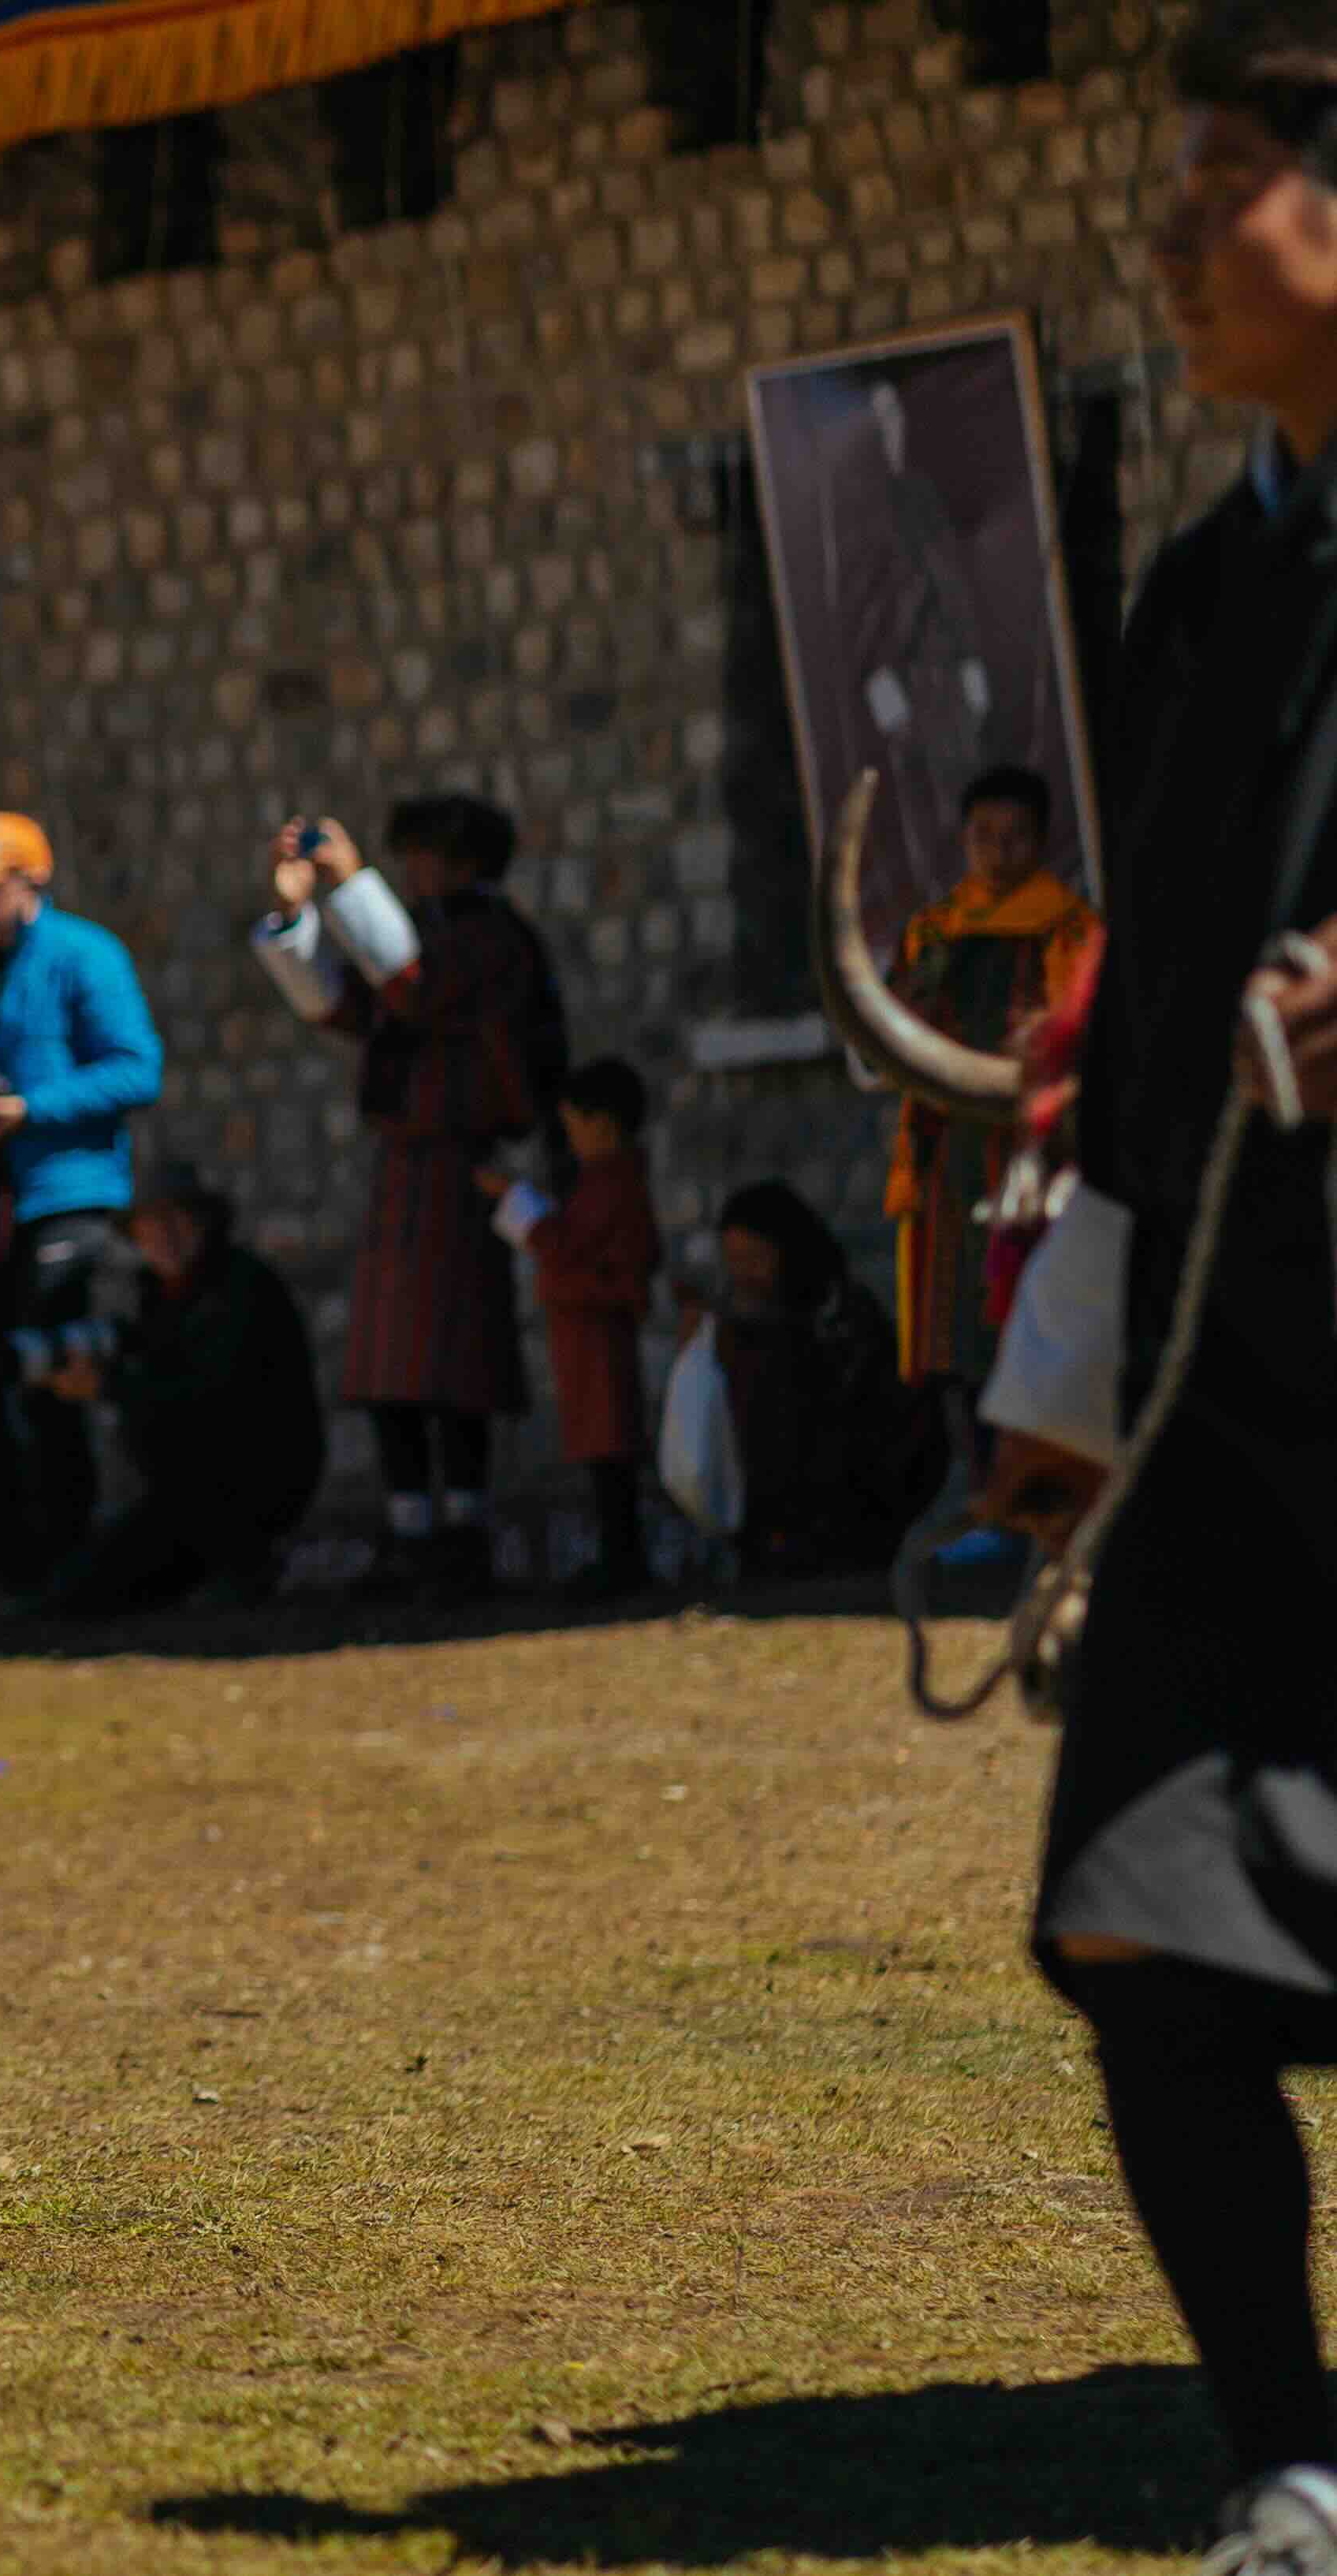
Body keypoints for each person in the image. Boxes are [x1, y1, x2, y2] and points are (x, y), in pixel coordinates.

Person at [970, 19, 1337, 2560]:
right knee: (1142, 1912)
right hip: (1241, 1373)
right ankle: (1295, 2450)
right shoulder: (1211, 584)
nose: (1172, 232)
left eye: (1226, 183)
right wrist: (1069, 1370)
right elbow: (1143, 1035)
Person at [251, 794, 571, 1602]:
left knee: (454, 1362)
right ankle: (410, 1529)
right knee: (391, 1363)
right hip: (404, 1164)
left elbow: (415, 989)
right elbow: (353, 1005)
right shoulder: (428, 939)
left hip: (464, 1165)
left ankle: (462, 1531)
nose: (416, 872)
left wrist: (353, 884)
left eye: (427, 857)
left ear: (467, 863)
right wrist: (296, 921)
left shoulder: (494, 942)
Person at [0, 810, 165, 1603]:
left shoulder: (85, 956)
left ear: (32, 882)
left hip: (68, 1201)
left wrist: (31, 1109)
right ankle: (7, 1570)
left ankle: (80, 1566)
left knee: (59, 1384)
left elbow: (138, 1070)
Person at [888, 769, 1101, 1404]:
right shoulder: (933, 932)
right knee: (953, 1330)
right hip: (949, 1155)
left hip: (1040, 1152)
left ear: (1041, 841)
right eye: (984, 836)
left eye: (1016, 836)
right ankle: (979, 1474)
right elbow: (894, 1026)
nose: (999, 851)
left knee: (1038, 1318)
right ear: (963, 841)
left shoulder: (1072, 928)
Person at [30, 1158, 319, 1615]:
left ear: (205, 1223)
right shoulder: (159, 1296)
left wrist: (109, 1385)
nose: (165, 1237)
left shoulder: (240, 1286)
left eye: (177, 1221)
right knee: (87, 1589)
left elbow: (211, 1397)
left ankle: (246, 1566)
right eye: (150, 1227)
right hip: (181, 1497)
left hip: (251, 1476)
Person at [495, 1059, 667, 1597]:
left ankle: (623, 1560)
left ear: (602, 1126)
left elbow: (576, 1249)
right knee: (603, 1449)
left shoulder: (612, 1185)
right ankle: (618, 1555)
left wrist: (520, 1209)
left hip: (600, 1330)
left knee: (610, 1449)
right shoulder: (609, 1181)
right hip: (591, 1333)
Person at [702, 1180, 924, 1579]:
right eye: (733, 1261)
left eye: (755, 1258)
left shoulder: (842, 1314)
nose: (744, 1274)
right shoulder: (739, 1320)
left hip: (856, 1505)